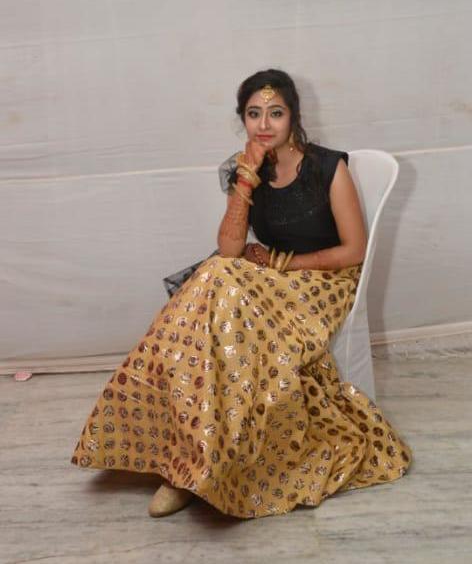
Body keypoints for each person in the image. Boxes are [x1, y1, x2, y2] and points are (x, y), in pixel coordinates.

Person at [71, 69, 412, 519]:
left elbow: (354, 250)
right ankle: (188, 454)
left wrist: (284, 264)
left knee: (219, 287)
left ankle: (196, 468)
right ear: (243, 119)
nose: (264, 124)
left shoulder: (329, 167)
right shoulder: (245, 168)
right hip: (267, 279)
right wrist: (247, 180)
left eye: (276, 113)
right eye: (254, 114)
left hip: (324, 283)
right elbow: (231, 248)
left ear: (294, 117)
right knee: (215, 280)